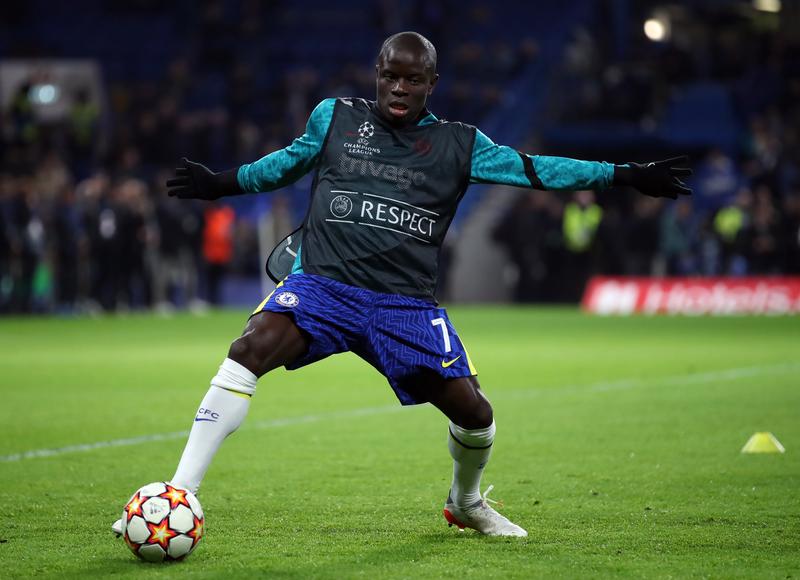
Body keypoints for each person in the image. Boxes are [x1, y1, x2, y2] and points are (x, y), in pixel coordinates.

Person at [114, 31, 691, 538]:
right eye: (390, 75)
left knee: (475, 415)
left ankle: (466, 502)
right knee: (248, 348)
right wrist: (221, 184)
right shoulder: (335, 118)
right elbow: (285, 163)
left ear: (431, 84)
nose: (399, 87)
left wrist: (625, 175)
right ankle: (178, 494)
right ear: (377, 74)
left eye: (413, 80)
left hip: (404, 305)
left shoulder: (460, 144)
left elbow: (537, 169)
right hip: (324, 286)